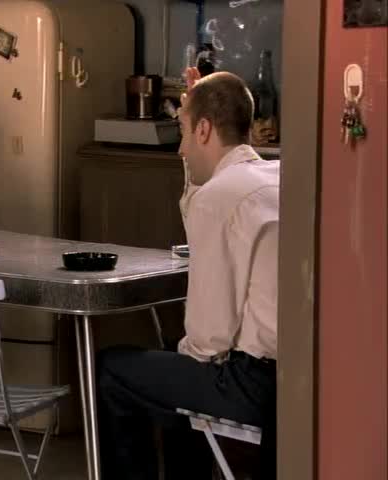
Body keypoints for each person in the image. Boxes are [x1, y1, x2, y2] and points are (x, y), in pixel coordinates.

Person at [97, 69, 279, 480]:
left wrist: (187, 359)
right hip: (293, 377)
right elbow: (205, 190)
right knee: (171, 367)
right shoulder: (275, 176)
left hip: (252, 385)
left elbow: (209, 339)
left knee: (112, 369)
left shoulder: (218, 197)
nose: (180, 149)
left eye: (182, 131)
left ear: (203, 129)